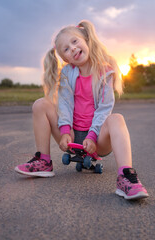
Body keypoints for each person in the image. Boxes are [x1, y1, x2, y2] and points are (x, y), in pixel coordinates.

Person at [15, 20, 149, 200]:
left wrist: (92, 136)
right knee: (40, 104)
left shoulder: (105, 72)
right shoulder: (67, 74)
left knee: (116, 118)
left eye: (74, 41)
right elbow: (64, 104)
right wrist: (64, 131)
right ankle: (43, 161)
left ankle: (126, 177)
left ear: (86, 39)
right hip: (71, 135)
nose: (72, 49)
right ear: (65, 59)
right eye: (66, 49)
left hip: (98, 138)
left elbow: (104, 109)